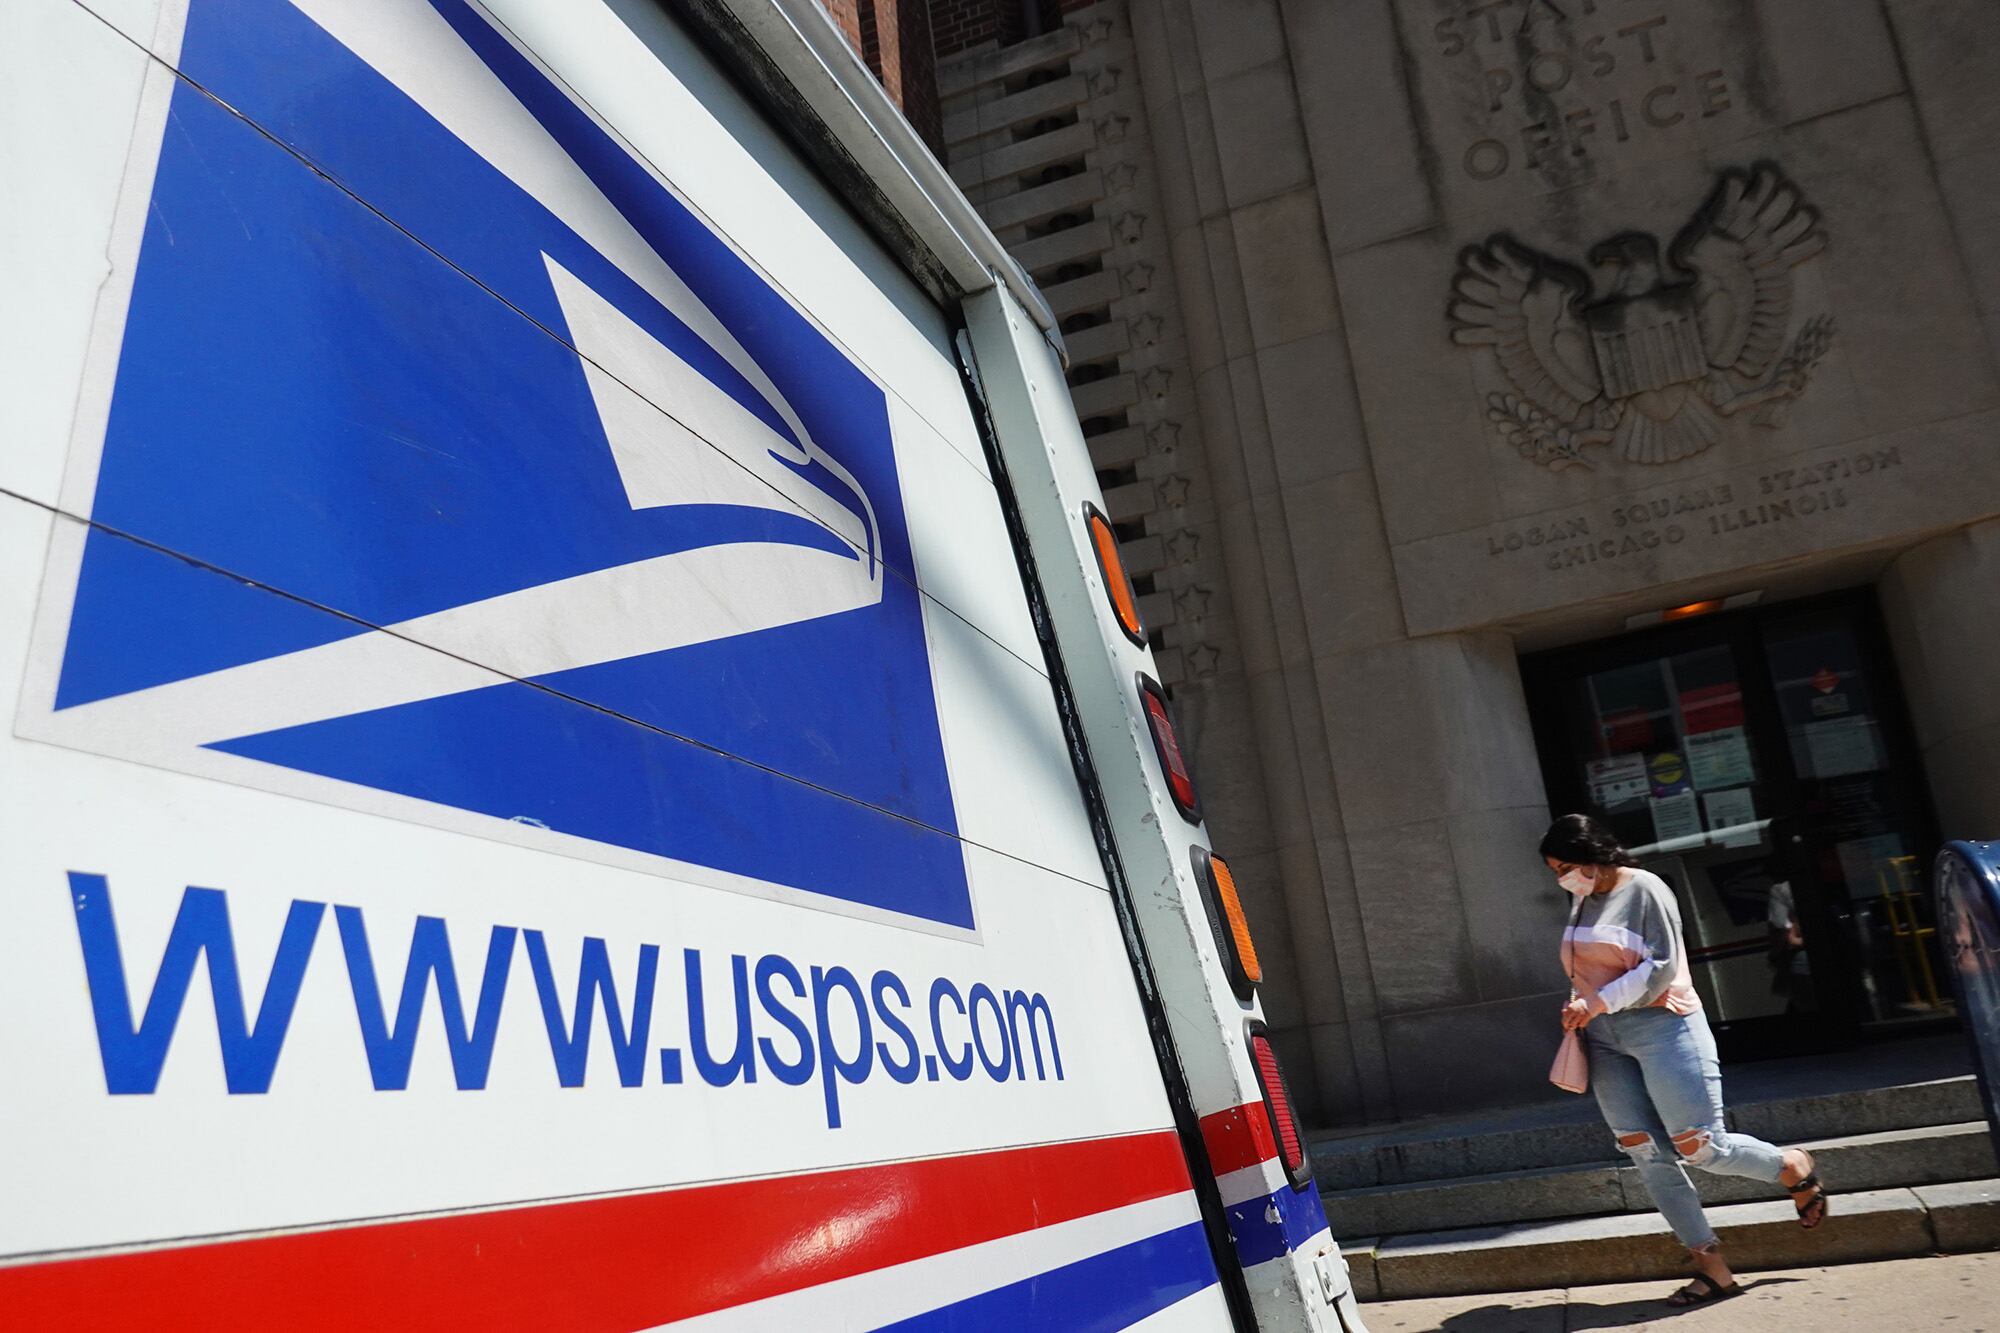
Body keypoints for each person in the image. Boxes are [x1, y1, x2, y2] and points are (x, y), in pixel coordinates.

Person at [1541, 813, 1829, 1306]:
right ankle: (1712, 1267)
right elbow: (1587, 963)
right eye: (1556, 871)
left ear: (1594, 853)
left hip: (1664, 1026)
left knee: (1700, 1147)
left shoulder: (1647, 888)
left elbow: (1661, 966)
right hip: (1604, 1036)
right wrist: (1582, 1005)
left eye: (1567, 865)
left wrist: (1597, 1002)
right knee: (1642, 1150)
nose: (1563, 877)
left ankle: (1788, 1164)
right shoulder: (1582, 896)